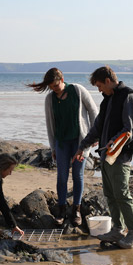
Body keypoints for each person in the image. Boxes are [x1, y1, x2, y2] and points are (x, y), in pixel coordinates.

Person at [73, 66, 133, 249]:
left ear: (107, 80)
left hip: (121, 155)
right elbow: (96, 128)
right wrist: (82, 146)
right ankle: (118, 229)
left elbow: (132, 128)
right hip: (106, 155)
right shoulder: (107, 101)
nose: (99, 90)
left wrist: (114, 141)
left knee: (122, 193)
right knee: (110, 194)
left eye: (99, 86)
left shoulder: (129, 96)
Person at [27, 68, 98, 226]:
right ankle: (62, 210)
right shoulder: (50, 99)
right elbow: (50, 124)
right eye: (51, 87)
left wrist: (95, 135)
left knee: (78, 175)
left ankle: (76, 210)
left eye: (56, 85)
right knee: (61, 177)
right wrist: (53, 147)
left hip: (80, 141)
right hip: (61, 143)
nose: (54, 89)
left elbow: (93, 111)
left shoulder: (78, 90)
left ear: (62, 79)